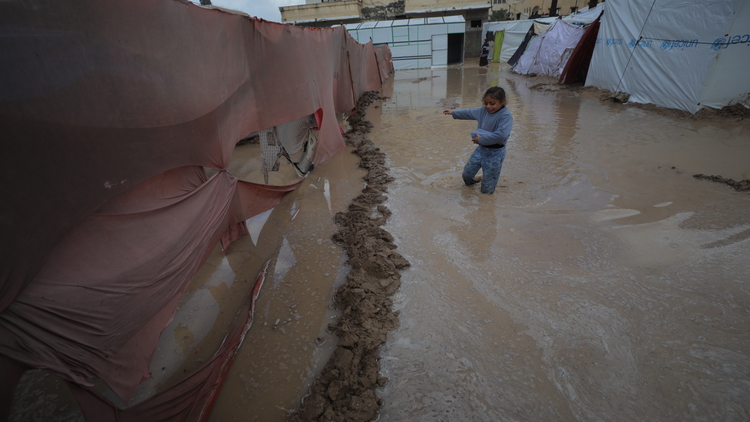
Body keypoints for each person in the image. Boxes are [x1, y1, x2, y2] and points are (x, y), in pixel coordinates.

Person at [443, 86, 513, 194]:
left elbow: (501, 135)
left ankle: (485, 205)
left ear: (503, 101)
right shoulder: (483, 111)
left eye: (492, 103)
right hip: (481, 150)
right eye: (486, 103)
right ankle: (474, 183)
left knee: (487, 188)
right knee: (467, 174)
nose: (488, 106)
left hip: (496, 153)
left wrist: (481, 140)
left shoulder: (506, 116)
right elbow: (469, 112)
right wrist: (453, 112)